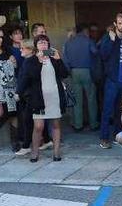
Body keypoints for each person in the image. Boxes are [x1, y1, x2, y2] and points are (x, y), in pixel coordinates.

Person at [22, 34, 69, 162]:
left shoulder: (54, 58)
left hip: (54, 96)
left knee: (56, 124)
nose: (43, 45)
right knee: (38, 126)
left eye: (45, 43)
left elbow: (65, 74)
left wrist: (59, 60)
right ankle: (35, 152)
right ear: (36, 46)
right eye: (40, 43)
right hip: (39, 98)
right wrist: (39, 61)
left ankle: (56, 152)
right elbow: (30, 76)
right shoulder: (31, 60)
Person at [98, 13, 122, 149]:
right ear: (115, 24)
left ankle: (118, 135)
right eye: (119, 23)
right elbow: (103, 55)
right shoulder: (108, 38)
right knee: (107, 110)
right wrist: (112, 41)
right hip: (112, 80)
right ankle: (104, 137)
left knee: (121, 110)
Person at [63, 23, 99, 132]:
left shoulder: (68, 43)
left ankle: (78, 125)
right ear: (84, 31)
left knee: (77, 100)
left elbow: (65, 59)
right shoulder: (88, 41)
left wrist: (69, 72)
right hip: (87, 71)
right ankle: (94, 124)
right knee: (91, 99)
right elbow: (95, 52)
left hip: (74, 72)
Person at [14, 38, 35, 156]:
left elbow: (24, 79)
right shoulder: (28, 60)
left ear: (30, 50)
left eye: (23, 48)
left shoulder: (29, 62)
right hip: (28, 95)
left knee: (28, 121)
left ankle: (26, 145)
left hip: (29, 95)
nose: (20, 50)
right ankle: (46, 140)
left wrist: (18, 92)